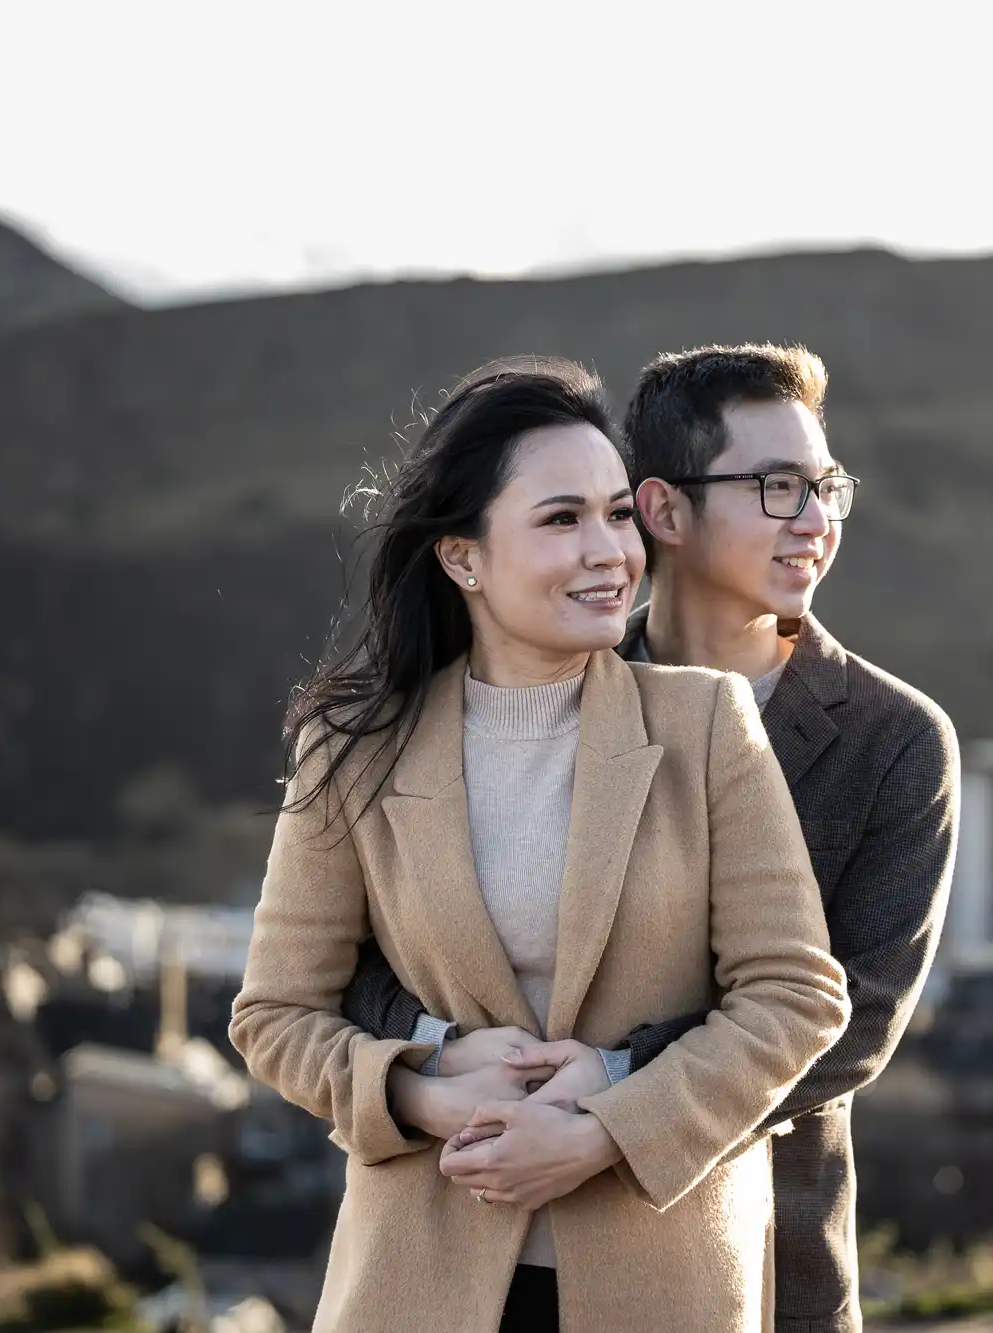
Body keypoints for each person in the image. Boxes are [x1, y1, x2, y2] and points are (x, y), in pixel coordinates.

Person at [343, 344, 960, 1332]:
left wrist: (608, 1100)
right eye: (775, 487)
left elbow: (851, 1019)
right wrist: (447, 1063)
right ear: (662, 511)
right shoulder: (532, 687)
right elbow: (369, 956)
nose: (815, 521)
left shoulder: (896, 741)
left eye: (825, 486)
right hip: (479, 1232)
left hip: (752, 1249)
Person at [229, 357, 851, 1333]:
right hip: (417, 1278)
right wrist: (424, 1087)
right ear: (461, 556)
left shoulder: (704, 722)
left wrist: (604, 1126)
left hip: (662, 1274)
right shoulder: (351, 748)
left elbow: (794, 994)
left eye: (616, 514)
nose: (609, 551)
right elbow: (275, 1012)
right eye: (561, 520)